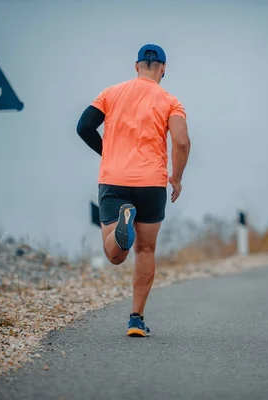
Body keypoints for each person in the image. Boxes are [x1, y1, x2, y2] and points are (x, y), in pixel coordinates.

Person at [76, 44, 191, 337]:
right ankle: (136, 319)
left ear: (136, 65)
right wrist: (176, 178)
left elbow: (84, 126)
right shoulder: (170, 101)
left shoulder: (110, 93)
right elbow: (181, 142)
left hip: (114, 179)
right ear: (163, 68)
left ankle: (122, 224)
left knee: (115, 255)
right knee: (146, 249)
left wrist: (107, 152)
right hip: (152, 183)